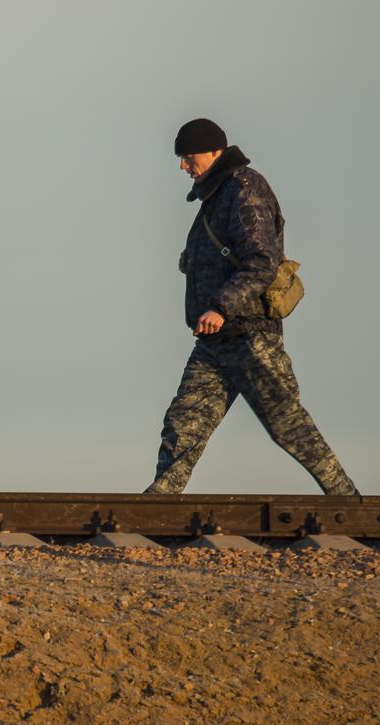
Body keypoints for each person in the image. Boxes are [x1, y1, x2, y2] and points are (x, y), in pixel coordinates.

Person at [145, 119, 358, 495]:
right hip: (215, 340)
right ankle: (159, 503)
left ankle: (348, 502)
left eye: (187, 156)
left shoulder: (244, 188)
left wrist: (221, 307)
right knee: (184, 421)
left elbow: (262, 261)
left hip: (250, 335)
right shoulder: (215, 196)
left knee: (287, 424)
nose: (183, 165)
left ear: (214, 152)